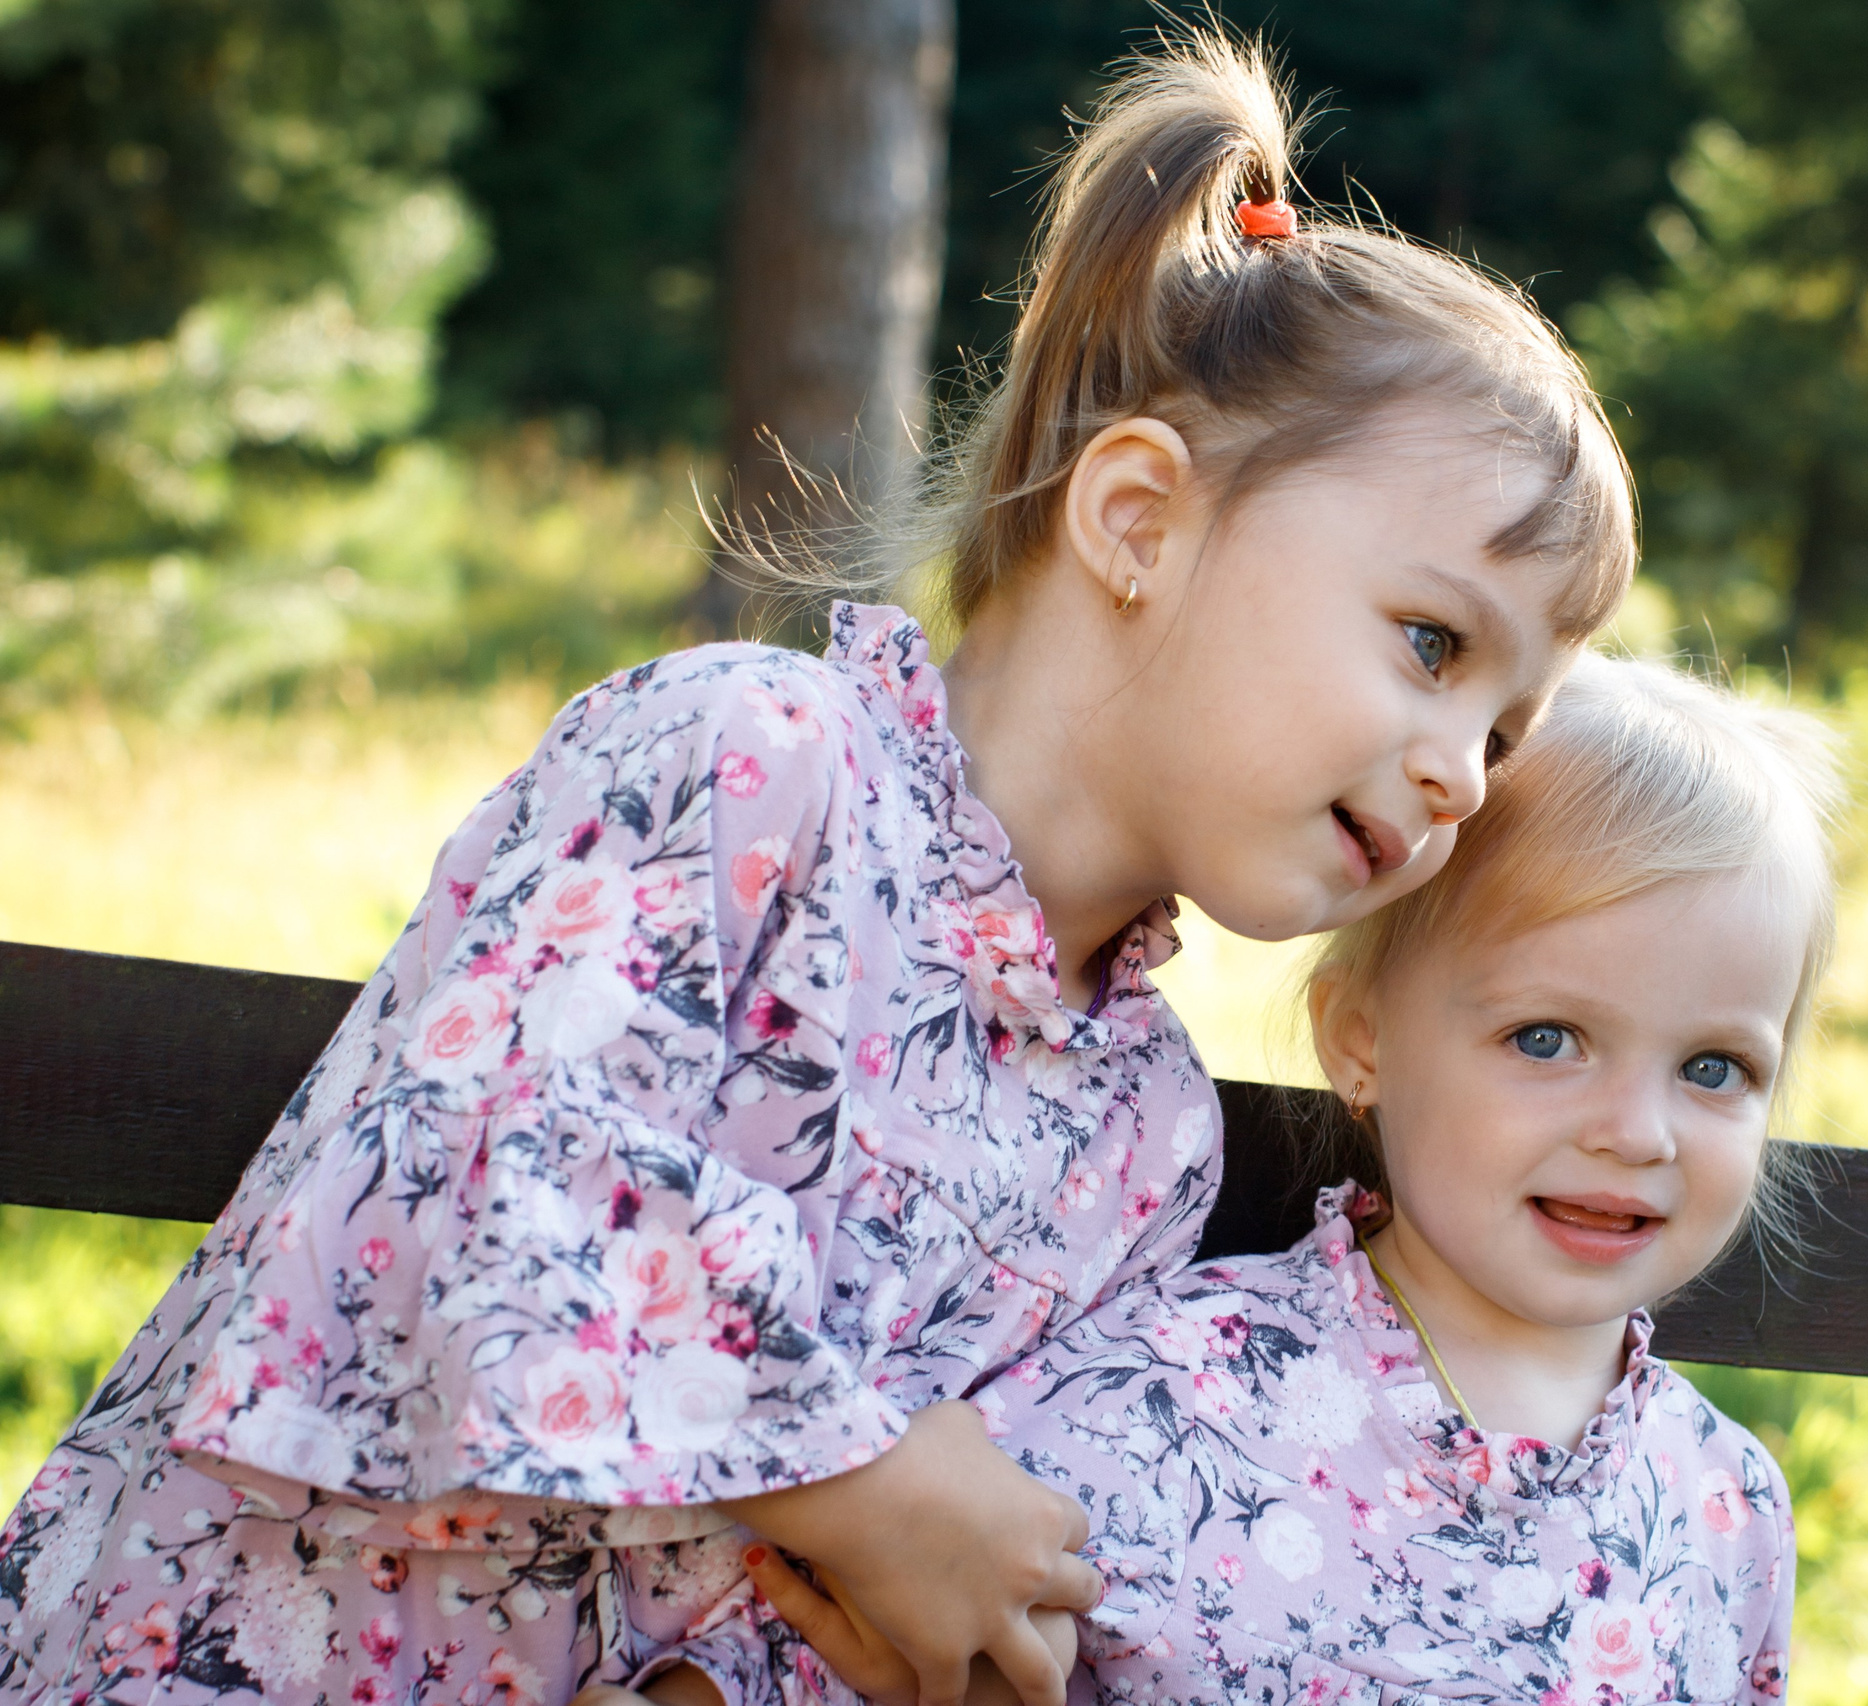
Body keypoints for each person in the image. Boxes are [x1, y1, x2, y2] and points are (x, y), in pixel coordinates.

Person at [0, 30, 1636, 1706]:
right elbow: (471, 1176)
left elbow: (936, 1587)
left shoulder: (1142, 1137)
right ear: (1139, 518)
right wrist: (855, 1475)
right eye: (1435, 643)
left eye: (1509, 729)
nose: (1462, 771)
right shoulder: (754, 767)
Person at [654, 652, 1843, 1704]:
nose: (1639, 1131)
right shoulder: (1153, 1399)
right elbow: (793, 1654)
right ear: (1361, 1040)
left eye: (1714, 1065)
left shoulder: (1727, 1509)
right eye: (1545, 1038)